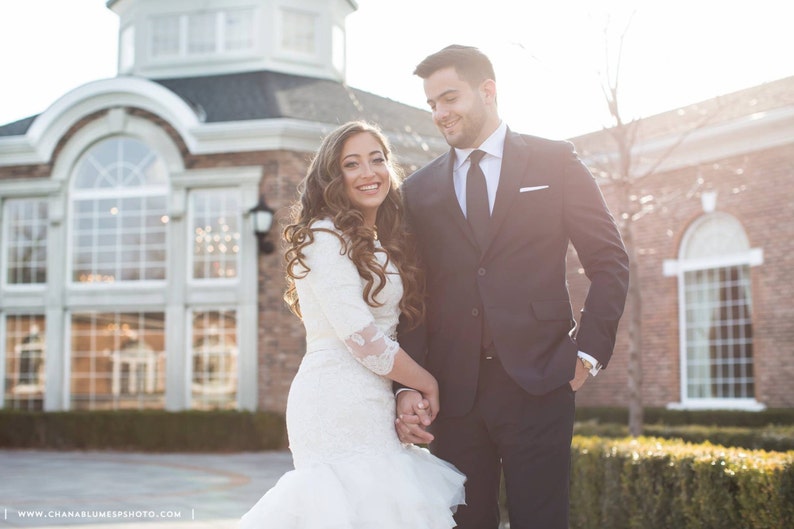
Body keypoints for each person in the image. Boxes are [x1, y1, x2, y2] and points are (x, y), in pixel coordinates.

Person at [394, 45, 630, 529]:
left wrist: (587, 354)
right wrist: (408, 385)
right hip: (452, 395)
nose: (440, 113)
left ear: (488, 91)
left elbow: (608, 260)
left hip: (541, 383)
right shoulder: (417, 191)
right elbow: (413, 296)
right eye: (432, 104)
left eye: (449, 97)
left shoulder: (554, 162)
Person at [239, 121, 465, 529]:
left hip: (372, 399)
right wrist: (426, 383)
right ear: (333, 177)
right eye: (352, 163)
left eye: (377, 160)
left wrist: (403, 390)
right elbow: (363, 338)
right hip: (334, 402)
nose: (368, 172)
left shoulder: (376, 239)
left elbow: (389, 334)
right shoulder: (322, 236)